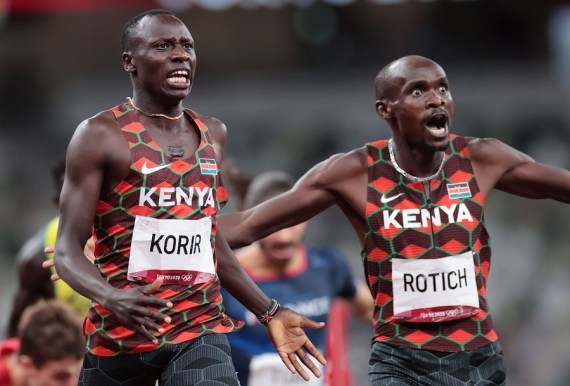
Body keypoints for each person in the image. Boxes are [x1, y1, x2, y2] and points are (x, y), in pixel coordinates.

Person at [218, 55, 570, 385]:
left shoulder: (482, 159)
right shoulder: (353, 172)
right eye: (418, 91)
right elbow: (248, 225)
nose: (437, 99)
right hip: (400, 362)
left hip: (476, 356)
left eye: (443, 88)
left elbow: (561, 186)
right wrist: (174, 232)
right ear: (386, 109)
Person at [53, 9, 325, 386]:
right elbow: (67, 250)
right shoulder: (99, 135)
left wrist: (269, 312)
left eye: (186, 46)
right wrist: (112, 297)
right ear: (130, 62)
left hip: (199, 330)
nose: (180, 55)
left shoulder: (213, 134)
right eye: (163, 46)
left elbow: (209, 240)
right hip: (120, 342)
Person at [220, 169, 374, 386]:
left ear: (306, 217)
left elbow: (372, 311)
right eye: (271, 225)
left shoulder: (328, 265)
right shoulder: (224, 275)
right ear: (250, 223)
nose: (283, 235)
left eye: (291, 222)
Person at [5, 160, 91, 338]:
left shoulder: (134, 235)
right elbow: (16, 325)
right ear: (59, 203)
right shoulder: (37, 256)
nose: (86, 204)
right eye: (75, 198)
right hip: (75, 356)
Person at [0, 299, 85, 386]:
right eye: (61, 377)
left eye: (79, 376)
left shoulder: (29, 345)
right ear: (27, 366)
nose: (73, 384)